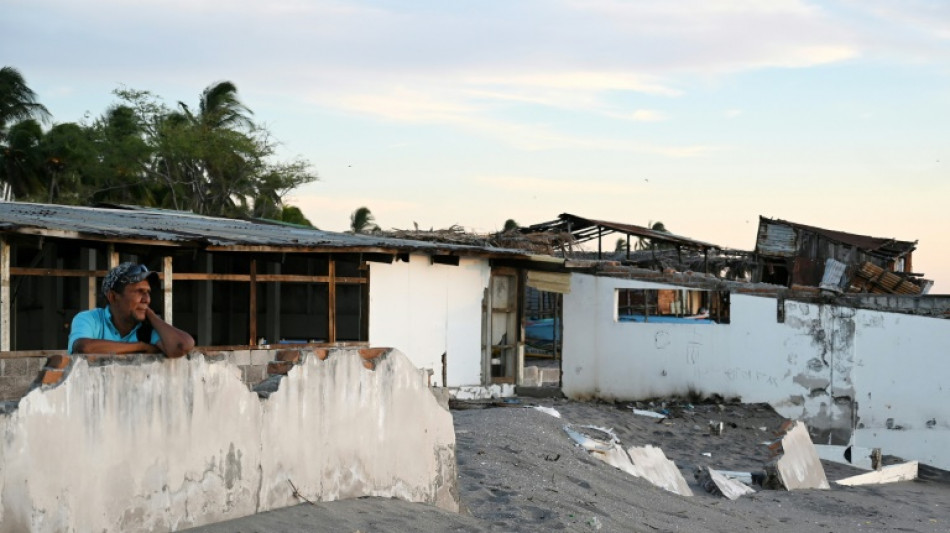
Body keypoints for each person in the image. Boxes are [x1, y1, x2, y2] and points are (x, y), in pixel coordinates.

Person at [68, 262, 195, 358]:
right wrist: (141, 347)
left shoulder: (147, 329)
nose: (147, 299)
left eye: (148, 293)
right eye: (139, 291)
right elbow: (83, 347)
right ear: (113, 297)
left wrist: (152, 316)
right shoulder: (90, 319)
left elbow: (182, 346)